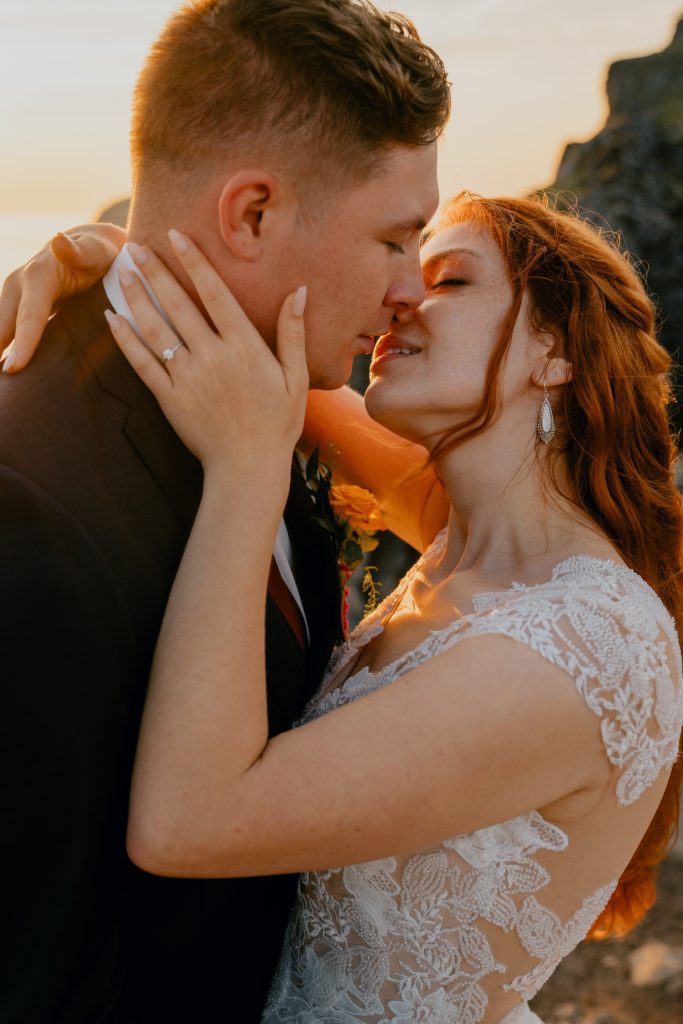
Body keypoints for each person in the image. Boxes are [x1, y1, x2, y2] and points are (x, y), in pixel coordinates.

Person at [8, 192, 683, 1023]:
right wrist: (109, 254)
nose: (401, 295)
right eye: (403, 262)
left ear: (554, 349)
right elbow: (239, 352)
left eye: (449, 279)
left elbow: (187, 823)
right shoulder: (465, 530)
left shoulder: (579, 645)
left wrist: (247, 475)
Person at [0, 1, 451, 1021]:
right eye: (392, 237)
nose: (410, 287)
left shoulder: (276, 396)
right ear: (251, 214)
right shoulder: (26, 503)